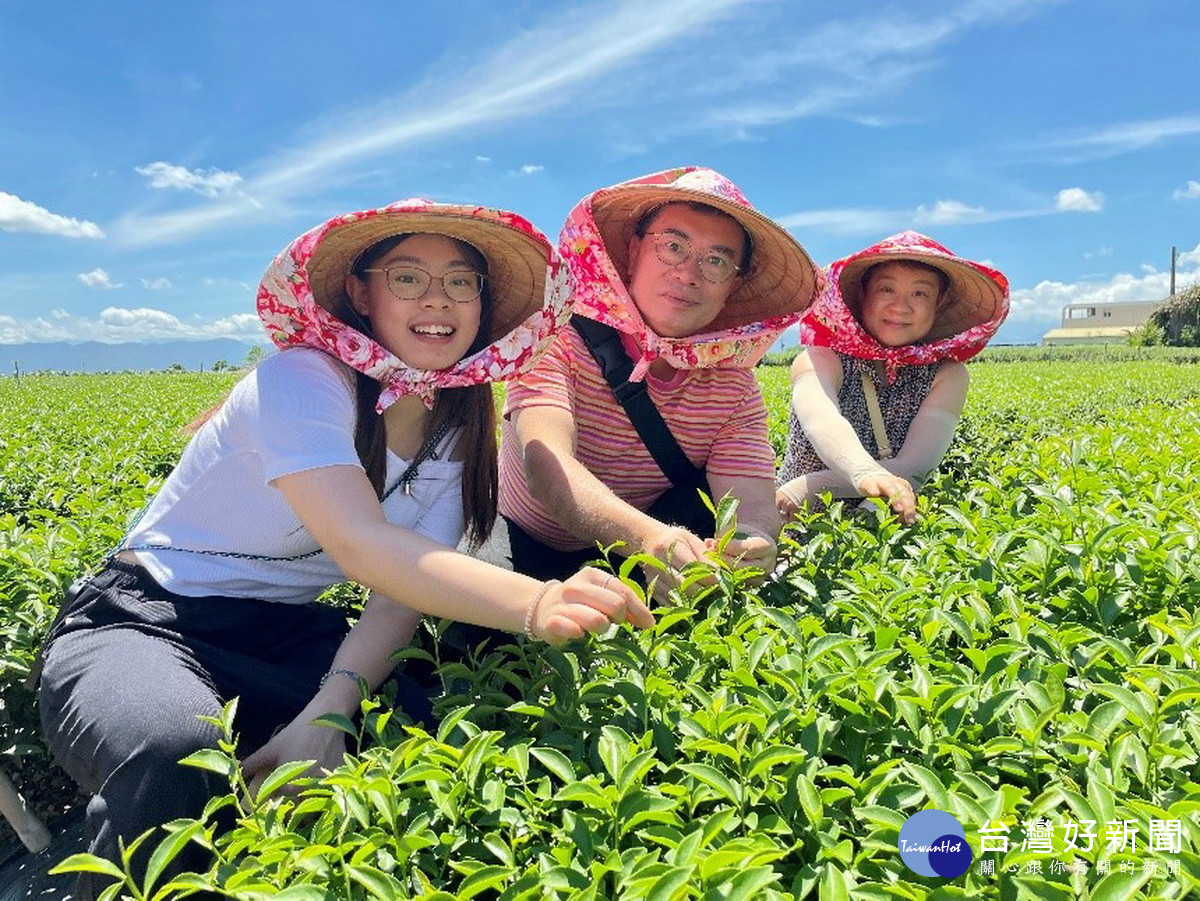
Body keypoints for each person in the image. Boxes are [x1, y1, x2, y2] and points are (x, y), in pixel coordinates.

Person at [37, 199, 654, 898]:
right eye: (408, 277)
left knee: (416, 719)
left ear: (482, 301)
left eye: (460, 281)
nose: (437, 299)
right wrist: (540, 599)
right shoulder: (304, 379)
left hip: (281, 631)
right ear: (361, 292)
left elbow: (401, 590)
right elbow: (364, 546)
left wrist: (328, 714)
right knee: (175, 751)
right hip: (144, 621)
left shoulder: (458, 412)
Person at [498, 167, 820, 596]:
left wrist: (752, 539)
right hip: (525, 539)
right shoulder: (553, 338)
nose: (688, 274)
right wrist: (648, 538)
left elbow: (751, 501)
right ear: (633, 252)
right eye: (672, 247)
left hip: (637, 548)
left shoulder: (734, 387)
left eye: (716, 261)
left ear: (732, 285)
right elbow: (547, 468)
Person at [776, 230, 1009, 524]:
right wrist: (861, 473)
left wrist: (817, 488)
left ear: (939, 303)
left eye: (920, 293)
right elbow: (821, 420)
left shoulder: (947, 375)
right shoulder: (822, 357)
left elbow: (915, 465)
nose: (901, 306)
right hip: (794, 521)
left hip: (888, 527)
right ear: (863, 295)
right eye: (886, 289)